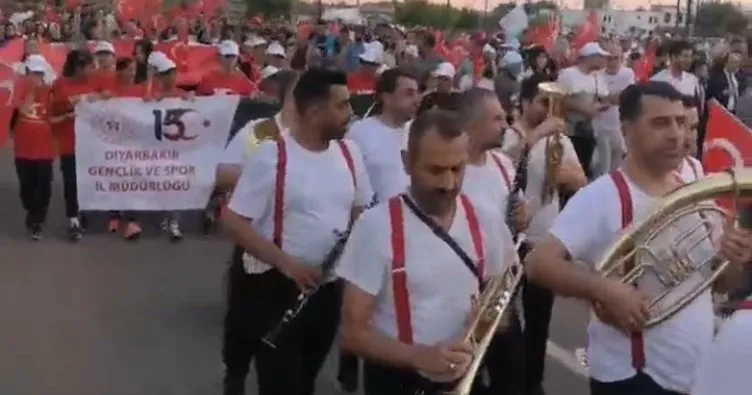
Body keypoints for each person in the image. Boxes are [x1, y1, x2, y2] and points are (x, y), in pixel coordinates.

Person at [525, 81, 752, 395]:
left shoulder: (696, 179)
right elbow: (538, 263)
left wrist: (732, 258)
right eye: (660, 123)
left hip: (693, 371)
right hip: (633, 377)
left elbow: (720, 284)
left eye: (681, 122)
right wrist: (603, 288)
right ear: (627, 130)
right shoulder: (601, 196)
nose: (677, 134)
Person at [338, 109, 517, 395]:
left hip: (465, 376)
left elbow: (504, 299)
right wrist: (419, 356)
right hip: (397, 382)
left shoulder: (487, 221)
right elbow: (353, 333)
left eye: (457, 169)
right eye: (435, 170)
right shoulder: (374, 227)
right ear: (407, 163)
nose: (448, 183)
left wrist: (486, 325)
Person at [221, 68, 373, 395]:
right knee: (279, 383)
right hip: (274, 288)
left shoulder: (351, 154)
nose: (351, 113)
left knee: (306, 379)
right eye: (343, 105)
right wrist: (287, 263)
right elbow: (233, 221)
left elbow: (360, 210)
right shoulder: (271, 156)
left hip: (326, 287)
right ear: (316, 111)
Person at [501, 75, 587, 395]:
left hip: (544, 242)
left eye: (552, 103)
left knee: (539, 319)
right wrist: (537, 135)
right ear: (524, 103)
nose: (548, 109)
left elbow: (581, 180)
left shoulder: (560, 141)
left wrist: (569, 175)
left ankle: (532, 382)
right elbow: (501, 166)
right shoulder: (509, 136)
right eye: (541, 102)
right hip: (509, 241)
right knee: (505, 322)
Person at [337, 68, 419, 392]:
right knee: (361, 304)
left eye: (417, 92)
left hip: (411, 232)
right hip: (368, 231)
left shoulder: (419, 132)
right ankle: (350, 357)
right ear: (385, 97)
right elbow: (345, 177)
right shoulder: (360, 133)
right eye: (408, 92)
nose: (417, 99)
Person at [458, 88, 530, 395]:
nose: (505, 125)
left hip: (500, 286)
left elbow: (520, 216)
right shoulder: (452, 166)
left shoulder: (502, 163)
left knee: (510, 374)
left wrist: (523, 215)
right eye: (497, 118)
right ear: (473, 124)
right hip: (462, 291)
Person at [50, 49, 102, 241]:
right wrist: (72, 105)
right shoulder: (60, 84)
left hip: (91, 143)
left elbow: (111, 97)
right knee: (71, 182)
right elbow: (55, 108)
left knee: (87, 181)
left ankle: (86, 212)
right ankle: (73, 218)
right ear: (78, 67)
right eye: (89, 66)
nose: (91, 70)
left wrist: (103, 97)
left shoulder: (95, 81)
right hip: (69, 142)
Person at [12, 57, 54, 240]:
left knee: (43, 185)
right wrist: (31, 90)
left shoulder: (50, 93)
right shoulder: (19, 90)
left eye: (39, 73)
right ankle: (31, 210)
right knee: (26, 187)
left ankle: (38, 220)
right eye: (32, 73)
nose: (35, 77)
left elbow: (55, 115)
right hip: (23, 147)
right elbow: (22, 110)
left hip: (44, 147)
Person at [556, 42, 610, 179]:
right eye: (599, 57)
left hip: (588, 131)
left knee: (584, 167)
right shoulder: (568, 74)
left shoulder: (597, 77)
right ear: (590, 57)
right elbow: (558, 100)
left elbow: (604, 99)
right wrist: (583, 108)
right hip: (569, 130)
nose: (603, 60)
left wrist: (598, 107)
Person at [592, 43, 633, 177]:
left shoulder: (627, 74)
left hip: (618, 128)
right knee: (602, 170)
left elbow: (627, 97)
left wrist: (606, 98)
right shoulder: (597, 75)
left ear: (621, 58)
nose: (613, 62)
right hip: (600, 128)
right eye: (610, 58)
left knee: (618, 169)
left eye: (616, 58)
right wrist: (614, 97)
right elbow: (595, 99)